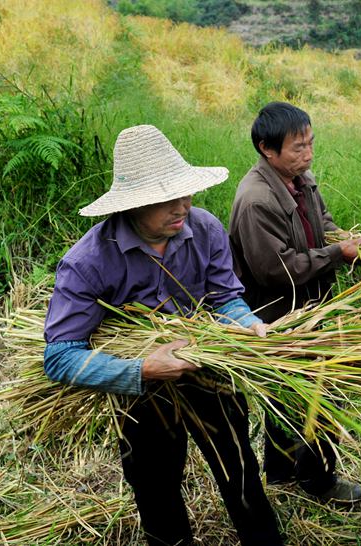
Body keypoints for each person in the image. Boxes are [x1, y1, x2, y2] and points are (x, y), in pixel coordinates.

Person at [43, 125, 283, 546]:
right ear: (133, 205)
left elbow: (225, 298)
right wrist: (142, 370)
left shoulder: (205, 229)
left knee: (238, 463)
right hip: (141, 387)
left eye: (186, 193)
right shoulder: (88, 262)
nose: (183, 206)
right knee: (154, 480)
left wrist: (246, 324)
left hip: (208, 367)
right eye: (167, 199)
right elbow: (60, 355)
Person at [229, 101, 361, 503]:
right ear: (266, 149)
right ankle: (318, 483)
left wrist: (349, 240)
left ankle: (288, 474)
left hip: (310, 308)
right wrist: (338, 253)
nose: (307, 155)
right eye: (297, 148)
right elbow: (277, 270)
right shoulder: (256, 200)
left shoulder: (302, 180)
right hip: (278, 317)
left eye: (310, 144)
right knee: (309, 398)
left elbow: (320, 225)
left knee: (298, 396)